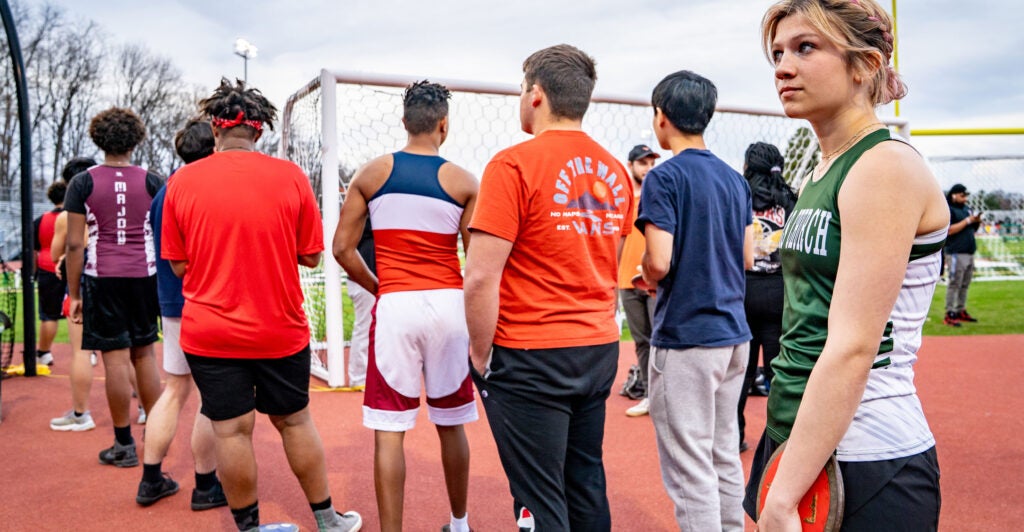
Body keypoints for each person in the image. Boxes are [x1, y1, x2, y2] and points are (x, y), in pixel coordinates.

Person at [746, 1, 946, 530]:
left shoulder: (883, 166)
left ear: (865, 65)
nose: (783, 67)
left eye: (806, 48)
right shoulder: (821, 171)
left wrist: (783, 494)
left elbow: (854, 345)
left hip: (867, 453)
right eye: (778, 53)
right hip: (800, 437)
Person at [161, 78, 361, 532]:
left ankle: (250, 528)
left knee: (230, 430)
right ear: (260, 131)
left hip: (209, 330)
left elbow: (177, 265)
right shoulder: (289, 176)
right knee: (294, 421)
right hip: (279, 327)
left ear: (215, 129)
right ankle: (328, 520)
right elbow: (311, 254)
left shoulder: (183, 181)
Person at [465, 44, 634, 531]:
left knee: (539, 498)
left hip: (531, 353)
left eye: (522, 90)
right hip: (597, 346)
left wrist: (481, 356)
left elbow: (479, 277)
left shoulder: (512, 165)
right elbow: (611, 263)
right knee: (584, 482)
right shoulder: (616, 171)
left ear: (536, 95)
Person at [333, 80, 478, 532]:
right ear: (443, 125)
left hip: (396, 304)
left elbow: (342, 248)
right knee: (452, 423)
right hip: (449, 304)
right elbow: (476, 262)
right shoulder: (464, 180)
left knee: (389, 429)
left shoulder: (371, 173)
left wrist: (380, 287)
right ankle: (459, 524)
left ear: (404, 122)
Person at [636, 70, 753, 531]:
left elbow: (659, 263)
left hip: (687, 335)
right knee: (723, 451)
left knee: (689, 465)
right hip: (732, 335)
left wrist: (644, 271)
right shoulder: (733, 179)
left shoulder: (663, 179)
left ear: (661, 117)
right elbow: (746, 256)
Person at [135, 118, 227, 511]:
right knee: (213, 396)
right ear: (214, 147)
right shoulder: (205, 186)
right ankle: (206, 485)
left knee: (174, 390)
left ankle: (150, 478)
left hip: (172, 302)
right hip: (204, 299)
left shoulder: (164, 191)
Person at [64, 108, 163, 465]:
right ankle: (156, 435)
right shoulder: (153, 180)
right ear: (136, 139)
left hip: (102, 278)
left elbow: (75, 245)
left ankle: (124, 445)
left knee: (115, 362)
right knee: (145, 355)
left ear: (98, 139)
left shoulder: (82, 183)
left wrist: (74, 294)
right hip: (144, 277)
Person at [736, 141, 796, 452]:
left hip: (743, 290)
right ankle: (782, 443)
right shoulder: (790, 198)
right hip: (779, 292)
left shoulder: (738, 194)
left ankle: (734, 436)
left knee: (739, 375)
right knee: (779, 374)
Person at [48, 157, 101, 431]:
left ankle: (81, 414)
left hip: (83, 276)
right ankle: (144, 409)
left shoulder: (68, 215)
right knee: (125, 351)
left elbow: (59, 252)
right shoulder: (113, 203)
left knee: (82, 350)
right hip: (116, 275)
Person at [618, 143, 659, 417]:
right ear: (630, 165)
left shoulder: (658, 194)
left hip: (654, 278)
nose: (648, 168)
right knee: (642, 340)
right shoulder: (621, 198)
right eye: (642, 163)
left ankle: (663, 394)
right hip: (625, 278)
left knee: (661, 339)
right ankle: (647, 393)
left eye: (651, 163)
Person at [33, 180, 69, 367]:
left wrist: (32, 274)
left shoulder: (41, 220)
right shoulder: (75, 216)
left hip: (48, 267)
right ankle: (90, 352)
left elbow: (33, 249)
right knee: (79, 312)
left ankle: (44, 353)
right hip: (72, 265)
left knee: (48, 315)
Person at [944, 183, 982, 326]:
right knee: (954, 283)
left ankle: (960, 310)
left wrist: (976, 221)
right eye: (962, 195)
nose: (965, 198)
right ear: (954, 195)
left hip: (969, 251)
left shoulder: (967, 209)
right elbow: (949, 230)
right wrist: (967, 221)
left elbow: (973, 228)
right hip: (955, 252)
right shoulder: (949, 210)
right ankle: (949, 312)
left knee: (965, 284)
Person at [345, 218, 374, 390]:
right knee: (365, 327)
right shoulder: (367, 213)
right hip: (365, 276)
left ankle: (362, 376)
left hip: (371, 273)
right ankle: (359, 378)